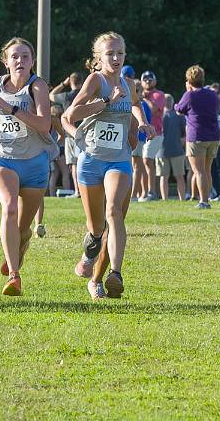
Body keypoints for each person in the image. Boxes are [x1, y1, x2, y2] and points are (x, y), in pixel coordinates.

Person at [62, 31, 154, 300]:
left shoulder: (129, 84)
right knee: (96, 229)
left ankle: (114, 274)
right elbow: (71, 114)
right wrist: (106, 102)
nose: (115, 58)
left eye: (120, 53)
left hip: (119, 159)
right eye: (110, 53)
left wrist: (142, 121)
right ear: (98, 58)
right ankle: (89, 254)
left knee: (114, 213)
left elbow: (135, 104)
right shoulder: (95, 81)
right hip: (91, 160)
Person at [0, 37, 58, 296]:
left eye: (25, 56)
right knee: (9, 207)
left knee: (23, 228)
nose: (20, 61)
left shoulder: (36, 86)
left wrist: (11, 108)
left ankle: (18, 247)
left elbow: (43, 125)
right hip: (3, 158)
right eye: (14, 56)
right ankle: (14, 276)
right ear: (5, 61)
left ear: (33, 62)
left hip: (35, 164)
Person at [174, 65, 220, 209]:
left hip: (197, 136)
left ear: (189, 80)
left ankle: (204, 201)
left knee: (198, 171)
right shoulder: (212, 94)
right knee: (207, 170)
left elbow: (178, 109)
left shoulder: (190, 95)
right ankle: (207, 198)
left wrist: (188, 92)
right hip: (213, 136)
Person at [51, 72, 84, 198]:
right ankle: (86, 189)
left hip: (71, 134)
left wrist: (62, 84)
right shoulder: (85, 95)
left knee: (74, 164)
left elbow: (51, 95)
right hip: (86, 133)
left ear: (71, 82)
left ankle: (78, 191)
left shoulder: (66, 96)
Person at [141, 70, 167, 200]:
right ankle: (142, 192)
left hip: (155, 133)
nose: (147, 81)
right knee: (140, 162)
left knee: (147, 160)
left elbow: (151, 110)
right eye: (145, 79)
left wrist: (144, 98)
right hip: (142, 134)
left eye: (150, 79)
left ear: (155, 81)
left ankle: (151, 191)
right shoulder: (138, 95)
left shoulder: (159, 94)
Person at [156, 93, 187, 200]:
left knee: (164, 177)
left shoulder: (159, 115)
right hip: (173, 149)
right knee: (178, 176)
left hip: (163, 150)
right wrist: (183, 140)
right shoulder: (178, 115)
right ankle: (181, 199)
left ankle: (166, 199)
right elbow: (185, 132)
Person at [131, 80, 152, 201]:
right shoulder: (140, 104)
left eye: (138, 90)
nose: (136, 92)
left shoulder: (142, 105)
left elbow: (147, 123)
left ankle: (134, 195)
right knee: (137, 167)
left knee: (136, 167)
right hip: (133, 139)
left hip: (138, 139)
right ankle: (139, 193)